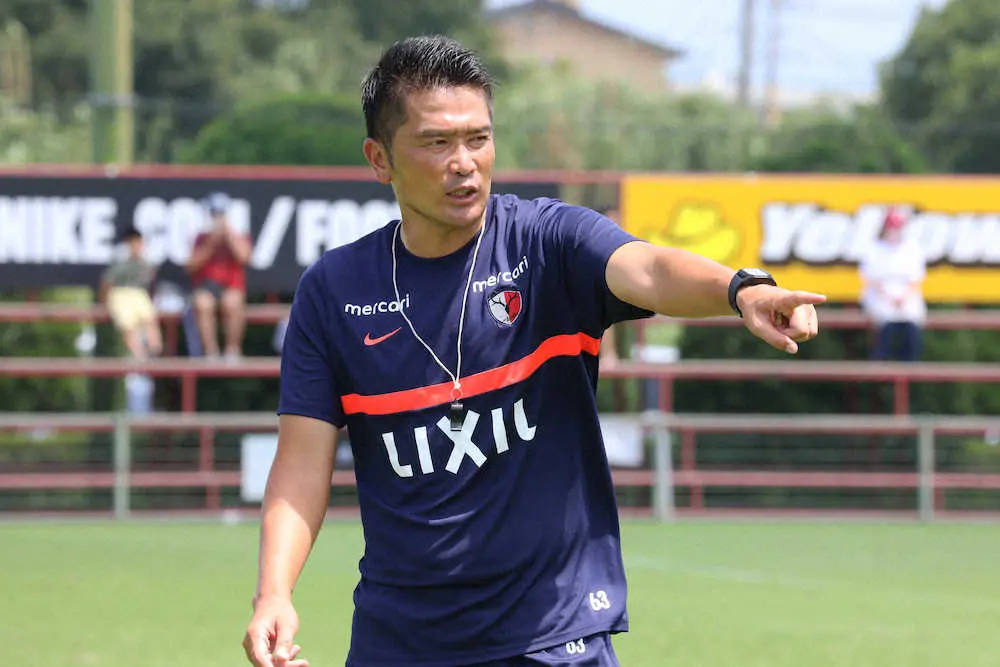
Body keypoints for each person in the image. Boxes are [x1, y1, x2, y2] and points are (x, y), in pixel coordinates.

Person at [242, 35, 824, 667]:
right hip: (400, 642)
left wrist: (740, 289)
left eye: (478, 138)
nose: (464, 162)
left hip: (554, 638)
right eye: (436, 143)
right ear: (379, 159)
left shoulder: (547, 242)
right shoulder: (333, 292)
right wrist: (274, 593)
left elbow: (650, 269)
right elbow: (300, 466)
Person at [186, 192, 252, 360]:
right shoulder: (201, 238)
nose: (217, 218)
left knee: (232, 303)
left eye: (220, 214)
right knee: (202, 303)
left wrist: (228, 235)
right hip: (207, 286)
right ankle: (211, 353)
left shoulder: (238, 236)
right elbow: (190, 266)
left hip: (231, 286)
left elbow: (245, 258)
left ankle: (232, 351)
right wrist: (211, 244)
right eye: (214, 214)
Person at [859, 208, 927, 362]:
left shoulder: (912, 248)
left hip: (906, 296)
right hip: (881, 295)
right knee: (885, 319)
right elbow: (871, 278)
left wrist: (902, 298)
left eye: (897, 227)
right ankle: (881, 361)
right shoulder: (874, 249)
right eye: (891, 227)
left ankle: (910, 363)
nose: (894, 231)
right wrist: (890, 298)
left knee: (912, 319)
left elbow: (915, 279)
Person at [99, 224, 162, 361]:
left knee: (150, 320)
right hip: (120, 295)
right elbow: (107, 283)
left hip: (139, 294)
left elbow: (151, 281)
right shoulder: (119, 261)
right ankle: (139, 357)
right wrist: (104, 301)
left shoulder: (146, 262)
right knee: (129, 326)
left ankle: (153, 353)